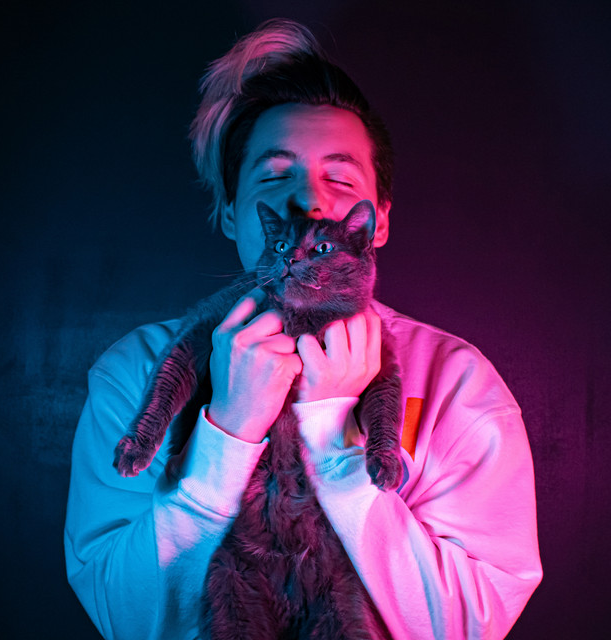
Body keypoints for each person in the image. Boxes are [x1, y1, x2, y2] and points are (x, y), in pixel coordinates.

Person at [65, 19, 542, 640]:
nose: (307, 206)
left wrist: (334, 435)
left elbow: (474, 624)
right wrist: (227, 433)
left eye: (339, 179)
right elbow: (120, 618)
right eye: (273, 177)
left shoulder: (457, 382)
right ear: (232, 213)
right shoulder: (132, 373)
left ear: (377, 224)